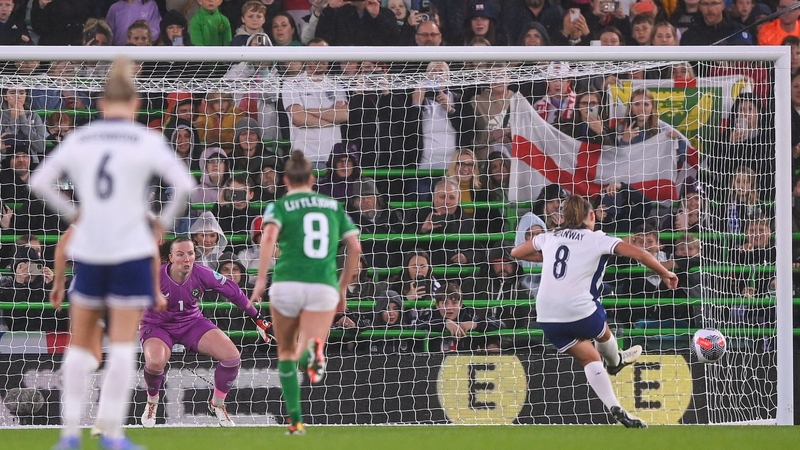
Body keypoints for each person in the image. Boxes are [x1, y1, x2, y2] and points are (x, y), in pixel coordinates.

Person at [30, 57, 196, 450]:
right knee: (122, 346)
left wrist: (75, 213)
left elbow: (40, 181)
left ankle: (69, 435)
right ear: (136, 104)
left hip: (91, 250)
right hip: (131, 252)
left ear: (102, 104)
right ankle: (112, 435)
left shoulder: (81, 139)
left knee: (80, 344)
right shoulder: (146, 139)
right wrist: (160, 224)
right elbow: (186, 188)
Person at [510, 195, 678, 428]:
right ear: (590, 216)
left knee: (590, 358)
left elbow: (516, 253)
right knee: (602, 331)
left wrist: (545, 256)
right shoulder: (597, 238)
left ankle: (614, 406)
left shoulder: (549, 237)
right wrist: (664, 273)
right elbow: (640, 254)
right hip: (581, 311)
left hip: (547, 316)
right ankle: (616, 360)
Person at [250, 150, 361, 435]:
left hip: (287, 284)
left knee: (286, 351)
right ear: (313, 179)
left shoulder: (279, 206)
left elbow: (268, 238)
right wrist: (343, 287)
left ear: (285, 180)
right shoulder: (333, 206)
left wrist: (261, 279)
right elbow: (355, 248)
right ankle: (313, 352)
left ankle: (296, 421)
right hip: (322, 285)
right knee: (310, 344)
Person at [139, 237, 272, 428]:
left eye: (190, 254)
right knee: (154, 363)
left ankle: (217, 404)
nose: (187, 259)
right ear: (170, 257)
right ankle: (152, 402)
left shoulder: (202, 273)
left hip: (191, 323)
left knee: (232, 357)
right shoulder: (154, 276)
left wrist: (257, 317)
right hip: (158, 325)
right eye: (180, 254)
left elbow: (233, 291)